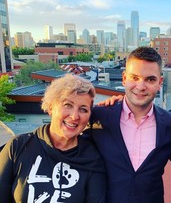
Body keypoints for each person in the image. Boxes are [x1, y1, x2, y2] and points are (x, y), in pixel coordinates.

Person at [88, 46, 171, 203]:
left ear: (160, 82)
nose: (141, 86)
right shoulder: (99, 117)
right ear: (124, 78)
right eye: (135, 78)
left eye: (150, 79)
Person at [0, 74, 106, 203]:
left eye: (83, 109)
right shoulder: (18, 147)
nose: (74, 116)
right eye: (68, 105)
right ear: (51, 107)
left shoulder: (92, 159)